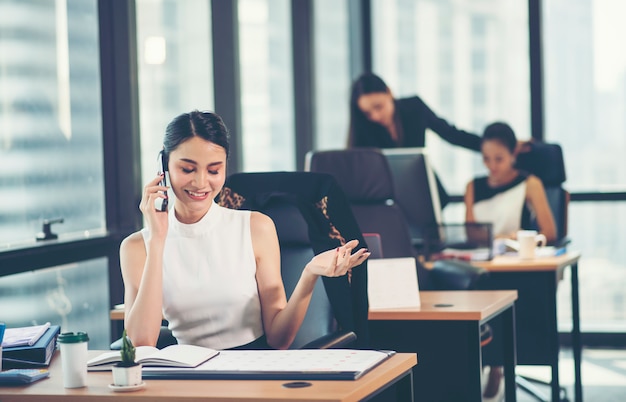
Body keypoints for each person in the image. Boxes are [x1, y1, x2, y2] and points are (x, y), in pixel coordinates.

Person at [120, 110, 371, 350]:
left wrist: (309, 274)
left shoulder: (255, 227)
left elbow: (279, 339)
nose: (200, 182)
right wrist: (158, 240)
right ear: (163, 167)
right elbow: (141, 344)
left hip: (253, 371)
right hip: (188, 376)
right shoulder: (137, 247)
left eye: (214, 170)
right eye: (187, 169)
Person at [464, 121, 556, 401]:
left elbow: (550, 232)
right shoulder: (473, 186)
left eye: (499, 159)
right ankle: (483, 364)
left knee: (507, 296)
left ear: (514, 155)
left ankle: (497, 364)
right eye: (486, 159)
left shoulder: (530, 183)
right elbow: (469, 231)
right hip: (483, 265)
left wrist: (517, 236)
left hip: (517, 267)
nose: (492, 166)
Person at [347, 72, 482, 151]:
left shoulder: (414, 108)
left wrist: (489, 146)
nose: (375, 116)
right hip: (382, 189)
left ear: (389, 92)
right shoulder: (363, 127)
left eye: (378, 107)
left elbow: (451, 133)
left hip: (418, 179)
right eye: (367, 113)